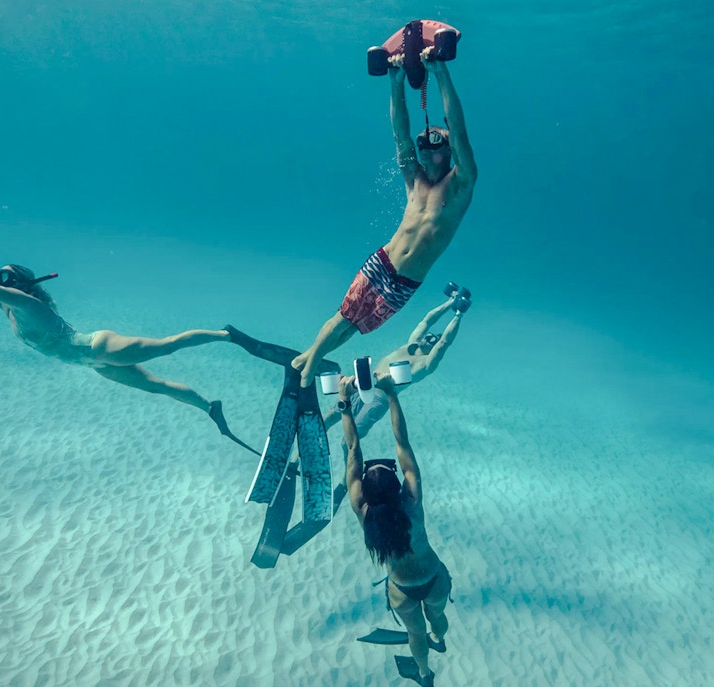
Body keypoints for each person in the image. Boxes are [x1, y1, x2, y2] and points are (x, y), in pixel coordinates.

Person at [0, 223, 256, 453]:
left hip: (100, 347)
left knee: (169, 344)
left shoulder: (25, 303)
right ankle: (211, 408)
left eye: (4, 278)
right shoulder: (8, 309)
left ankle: (227, 335)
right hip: (90, 362)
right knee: (158, 386)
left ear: (19, 284)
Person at [290, 49, 478, 388]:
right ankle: (306, 373)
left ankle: (305, 358)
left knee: (355, 328)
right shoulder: (415, 180)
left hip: (406, 283)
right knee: (344, 316)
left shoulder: (461, 184)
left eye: (434, 140)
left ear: (449, 149)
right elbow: (400, 134)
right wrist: (395, 83)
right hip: (383, 261)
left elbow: (460, 130)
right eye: (423, 144)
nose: (424, 146)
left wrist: (440, 74)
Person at [339, 375, 451, 687]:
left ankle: (425, 675)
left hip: (402, 591)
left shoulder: (364, 513)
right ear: (396, 484)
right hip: (434, 578)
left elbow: (352, 448)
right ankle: (439, 638)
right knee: (437, 617)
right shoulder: (412, 502)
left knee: (414, 633)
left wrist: (343, 403)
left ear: (367, 494)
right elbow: (403, 443)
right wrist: (391, 394)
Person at [324, 286, 469, 439]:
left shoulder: (425, 364)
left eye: (433, 340)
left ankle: (350, 462)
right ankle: (294, 459)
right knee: (328, 418)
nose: (428, 338)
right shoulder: (411, 344)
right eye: (429, 336)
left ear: (434, 347)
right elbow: (427, 320)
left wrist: (458, 315)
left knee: (349, 440)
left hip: (379, 398)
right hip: (362, 384)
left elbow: (444, 343)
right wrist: (450, 302)